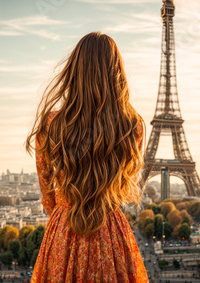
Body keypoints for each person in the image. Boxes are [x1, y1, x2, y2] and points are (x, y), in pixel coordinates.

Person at [25, 32, 149, 282]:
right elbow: (126, 184)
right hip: (111, 232)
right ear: (117, 73)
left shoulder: (52, 124)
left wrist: (64, 210)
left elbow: (47, 193)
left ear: (74, 71)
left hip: (64, 231)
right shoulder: (132, 126)